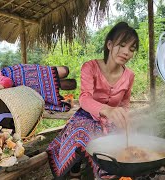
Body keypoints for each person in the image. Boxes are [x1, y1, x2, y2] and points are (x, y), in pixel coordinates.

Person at [47, 22, 139, 180]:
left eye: (131, 49)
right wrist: (107, 109)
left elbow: (124, 104)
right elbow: (84, 98)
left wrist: (125, 119)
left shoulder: (129, 75)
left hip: (111, 120)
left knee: (123, 144)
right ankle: (75, 169)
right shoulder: (90, 67)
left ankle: (109, 173)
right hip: (87, 116)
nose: (126, 52)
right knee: (82, 132)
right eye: (122, 45)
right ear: (109, 44)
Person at [0, 64, 77, 112]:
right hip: (10, 90)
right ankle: (55, 78)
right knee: (63, 71)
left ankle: (55, 76)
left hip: (8, 78)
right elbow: (64, 107)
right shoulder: (54, 97)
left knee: (64, 71)